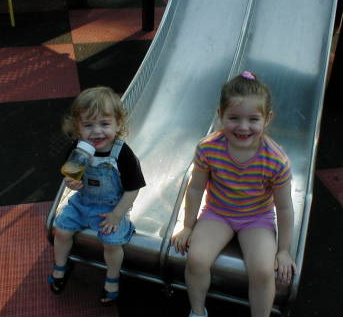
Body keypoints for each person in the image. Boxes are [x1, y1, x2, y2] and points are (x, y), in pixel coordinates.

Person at [171, 71, 296, 317]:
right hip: (218, 213)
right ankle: (197, 311)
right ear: (220, 115)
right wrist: (188, 225)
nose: (243, 127)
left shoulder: (276, 160)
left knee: (262, 270)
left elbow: (284, 208)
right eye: (234, 118)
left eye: (253, 119)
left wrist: (283, 250)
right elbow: (196, 187)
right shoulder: (209, 148)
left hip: (256, 218)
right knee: (196, 259)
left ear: (267, 119)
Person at [48, 86, 146, 305]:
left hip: (111, 207)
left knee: (111, 243)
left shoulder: (123, 154)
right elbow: (73, 178)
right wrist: (72, 184)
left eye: (104, 124)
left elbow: (133, 188)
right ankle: (61, 266)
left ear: (118, 124)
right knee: (61, 230)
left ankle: (112, 278)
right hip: (83, 202)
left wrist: (117, 215)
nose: (96, 132)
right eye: (88, 125)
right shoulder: (78, 148)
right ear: (78, 127)